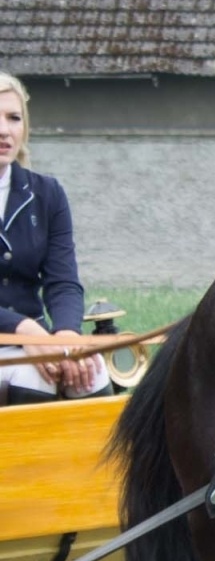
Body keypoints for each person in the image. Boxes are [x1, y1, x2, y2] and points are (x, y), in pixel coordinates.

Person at [0, 73, 107, 404]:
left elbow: (63, 281)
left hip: (39, 338)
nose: (4, 130)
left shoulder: (48, 193)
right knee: (33, 376)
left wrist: (68, 338)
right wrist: (25, 330)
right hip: (26, 338)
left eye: (14, 118)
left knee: (92, 372)